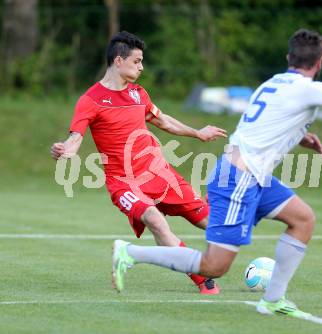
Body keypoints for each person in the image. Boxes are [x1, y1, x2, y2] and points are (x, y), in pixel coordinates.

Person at [111, 28, 322, 316]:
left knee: (303, 219)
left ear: (289, 57)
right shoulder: (307, 88)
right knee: (214, 266)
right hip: (237, 179)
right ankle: (131, 253)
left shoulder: (274, 83)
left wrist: (300, 136)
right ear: (319, 62)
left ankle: (274, 300)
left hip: (253, 177)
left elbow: (260, 122)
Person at [50, 31, 228, 295]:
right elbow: (76, 136)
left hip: (159, 174)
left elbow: (163, 120)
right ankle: (203, 280)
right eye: (137, 61)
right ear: (118, 61)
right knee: (156, 221)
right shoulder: (91, 100)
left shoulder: (139, 94)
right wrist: (67, 150)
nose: (142, 67)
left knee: (213, 225)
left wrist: (197, 133)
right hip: (124, 184)